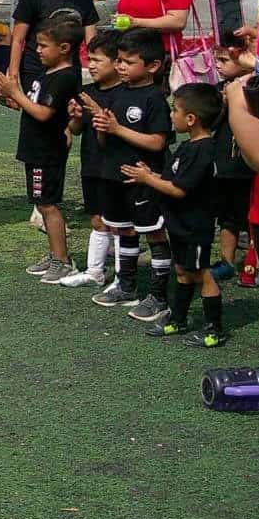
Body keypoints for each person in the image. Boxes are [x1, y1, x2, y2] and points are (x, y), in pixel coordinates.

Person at [123, 82, 225, 347]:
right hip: (179, 225)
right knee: (181, 270)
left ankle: (214, 330)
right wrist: (151, 175)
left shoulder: (204, 150)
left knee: (201, 273)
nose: (171, 115)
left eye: (174, 110)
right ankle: (178, 320)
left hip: (195, 227)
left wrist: (147, 179)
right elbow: (173, 179)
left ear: (191, 119)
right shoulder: (187, 146)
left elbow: (179, 190)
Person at [85, 29, 173, 319]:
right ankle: (126, 285)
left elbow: (157, 142)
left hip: (142, 178)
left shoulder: (154, 98)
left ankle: (159, 296)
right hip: (113, 176)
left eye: (128, 62)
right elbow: (106, 138)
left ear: (153, 66)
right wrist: (102, 127)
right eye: (119, 60)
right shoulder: (117, 93)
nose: (120, 66)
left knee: (154, 233)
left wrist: (117, 129)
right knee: (124, 230)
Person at [0, 14, 85, 283]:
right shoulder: (48, 74)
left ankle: (63, 260)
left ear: (64, 48)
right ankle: (55, 254)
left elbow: (44, 113)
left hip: (48, 151)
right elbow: (36, 106)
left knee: (48, 205)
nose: (38, 51)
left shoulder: (64, 77)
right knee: (41, 203)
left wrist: (15, 92)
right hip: (35, 149)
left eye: (44, 46)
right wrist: (12, 97)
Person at [59, 29, 124, 289]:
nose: (91, 65)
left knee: (118, 223)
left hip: (116, 168)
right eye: (90, 59)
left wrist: (100, 114)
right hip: (92, 165)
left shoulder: (126, 94)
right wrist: (75, 117)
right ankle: (95, 271)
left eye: (98, 60)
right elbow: (77, 129)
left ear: (117, 62)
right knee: (97, 219)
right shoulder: (86, 92)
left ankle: (123, 277)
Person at [210, 47, 255, 282]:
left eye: (224, 60)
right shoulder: (218, 90)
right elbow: (210, 124)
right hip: (225, 164)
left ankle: (253, 263)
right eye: (216, 59)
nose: (218, 65)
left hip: (249, 164)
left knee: (252, 215)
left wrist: (238, 100)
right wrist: (224, 105)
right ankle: (226, 262)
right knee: (227, 217)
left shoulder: (256, 86)